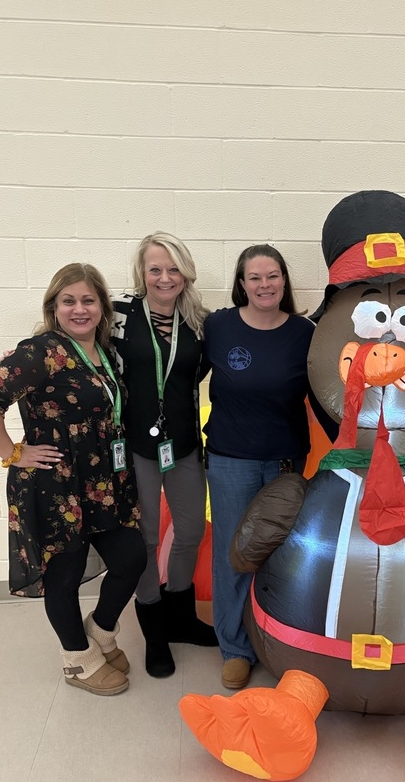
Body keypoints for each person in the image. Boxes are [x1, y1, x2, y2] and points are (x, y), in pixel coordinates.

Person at [0, 263, 146, 696]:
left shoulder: (102, 351)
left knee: (131, 559)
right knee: (64, 577)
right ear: (53, 307)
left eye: (88, 299)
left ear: (103, 308)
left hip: (103, 482)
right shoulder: (44, 350)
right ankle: (77, 659)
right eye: (68, 300)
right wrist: (12, 452)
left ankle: (101, 634)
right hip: (55, 485)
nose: (79, 308)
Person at [203, 244, 315, 690]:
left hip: (286, 459)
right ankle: (234, 648)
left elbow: (323, 395)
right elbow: (177, 378)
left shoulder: (304, 332)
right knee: (234, 553)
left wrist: (355, 440)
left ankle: (279, 642)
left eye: (272, 276)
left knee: (283, 555)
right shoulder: (218, 326)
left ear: (284, 281)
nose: (264, 285)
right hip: (231, 459)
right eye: (255, 277)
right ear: (242, 283)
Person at [111, 233, 217, 678]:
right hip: (136, 445)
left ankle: (180, 616)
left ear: (185, 272)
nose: (164, 277)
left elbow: (200, 371)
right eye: (155, 269)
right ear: (142, 273)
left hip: (183, 444)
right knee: (148, 538)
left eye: (173, 268)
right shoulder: (119, 312)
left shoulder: (200, 320)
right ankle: (155, 630)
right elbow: (78, 342)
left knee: (190, 528)